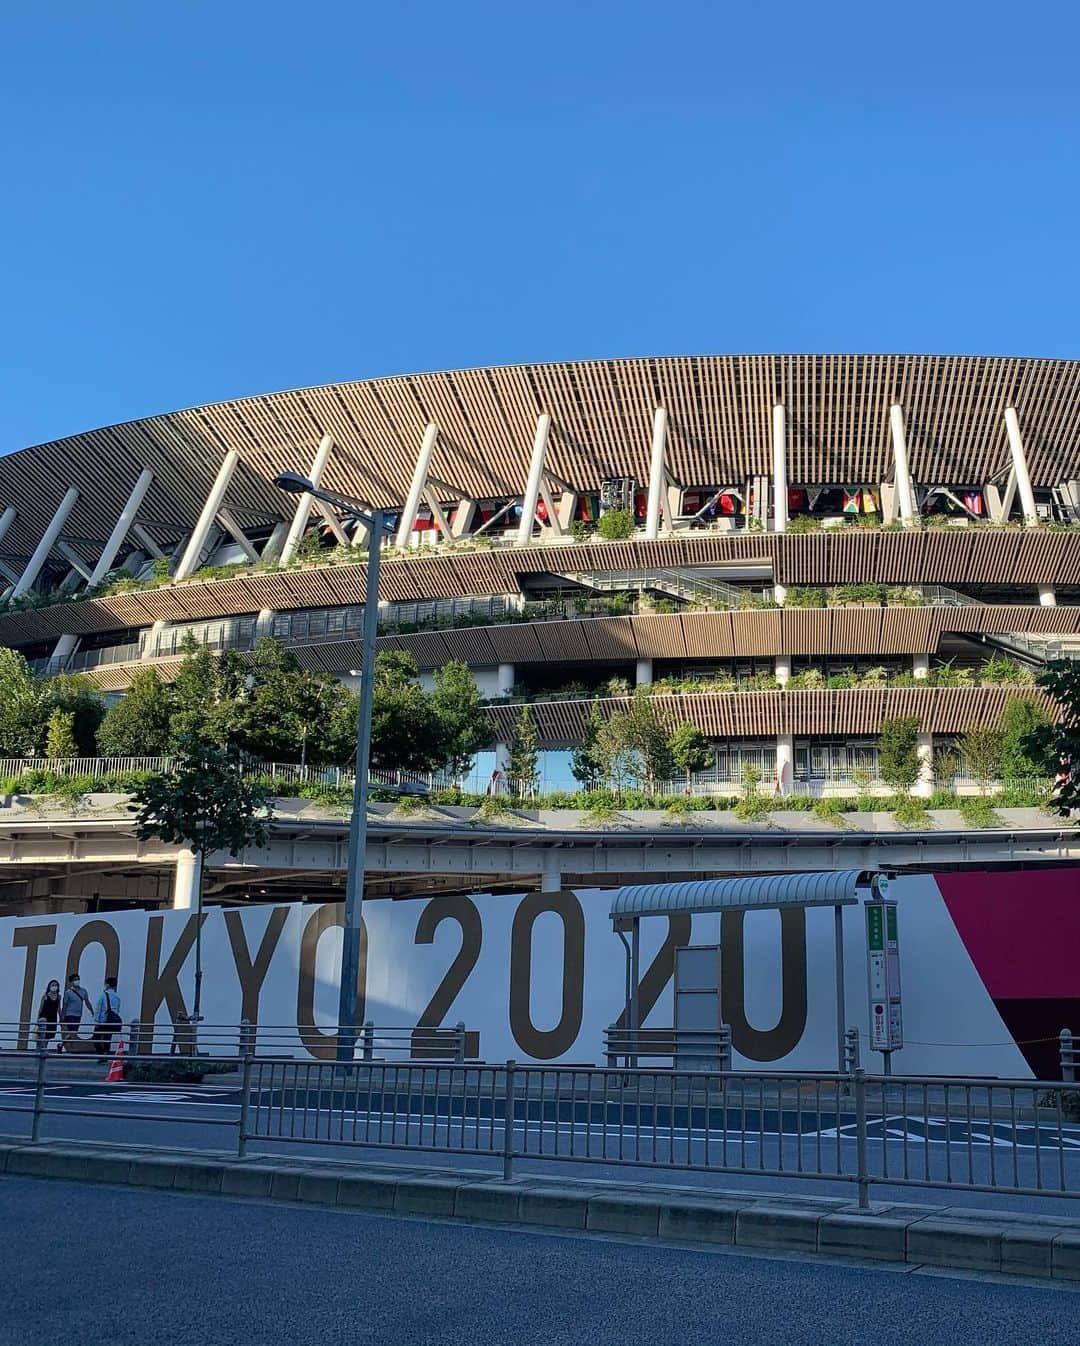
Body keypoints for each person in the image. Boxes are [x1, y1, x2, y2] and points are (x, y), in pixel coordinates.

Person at [59, 972, 92, 1053]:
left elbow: (87, 1001)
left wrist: (91, 1010)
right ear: (71, 982)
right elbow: (65, 1004)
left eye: (78, 979)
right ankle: (72, 1048)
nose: (77, 981)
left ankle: (61, 1045)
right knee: (72, 1031)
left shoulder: (83, 991)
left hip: (78, 1014)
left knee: (74, 1032)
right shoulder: (68, 992)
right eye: (75, 980)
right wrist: (62, 1015)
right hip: (70, 1014)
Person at [93, 976, 121, 1060]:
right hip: (111, 1021)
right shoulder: (117, 997)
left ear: (107, 984)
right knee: (107, 1038)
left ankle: (101, 1055)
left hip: (102, 1021)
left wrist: (96, 1021)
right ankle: (106, 1054)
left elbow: (98, 1009)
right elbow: (117, 1010)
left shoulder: (103, 995)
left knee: (96, 1038)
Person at [36, 980, 61, 1050]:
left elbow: (59, 1008)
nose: (54, 987)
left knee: (49, 1035)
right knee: (43, 1034)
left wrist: (61, 1017)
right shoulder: (45, 996)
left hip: (53, 1018)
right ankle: (43, 1048)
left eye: (56, 985)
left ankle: (44, 1047)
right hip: (44, 1017)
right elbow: (40, 1008)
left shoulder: (59, 997)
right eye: (52, 985)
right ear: (49, 986)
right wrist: (37, 1018)